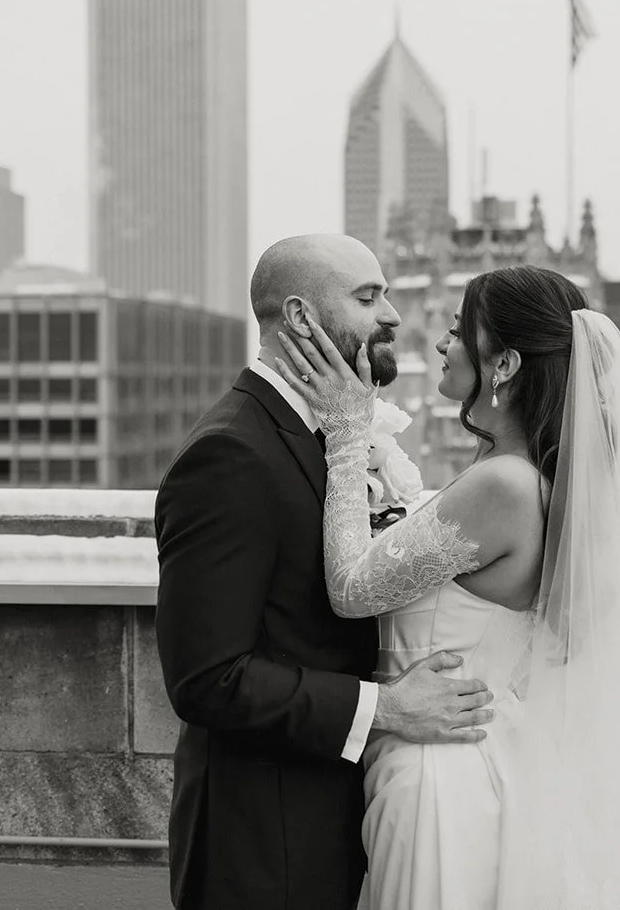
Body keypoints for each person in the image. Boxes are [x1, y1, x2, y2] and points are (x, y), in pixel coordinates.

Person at [274, 264, 620, 908]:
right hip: (469, 752)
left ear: (503, 363)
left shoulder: (503, 486)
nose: (441, 345)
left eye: (457, 332)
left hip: (438, 775)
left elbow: (349, 587)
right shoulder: (528, 478)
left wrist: (347, 432)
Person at [154, 234, 495, 910]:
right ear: (301, 317)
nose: (394, 315)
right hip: (262, 845)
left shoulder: (331, 433)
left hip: (335, 823)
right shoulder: (231, 454)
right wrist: (386, 706)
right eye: (369, 297)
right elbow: (207, 678)